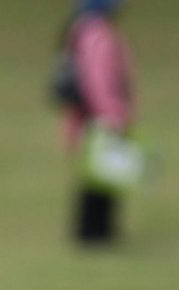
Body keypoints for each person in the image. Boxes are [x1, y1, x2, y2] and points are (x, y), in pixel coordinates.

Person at [52, 0, 136, 245]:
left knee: (100, 176)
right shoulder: (96, 35)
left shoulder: (81, 31)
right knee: (100, 177)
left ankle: (97, 230)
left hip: (90, 117)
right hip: (98, 118)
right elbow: (98, 81)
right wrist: (112, 115)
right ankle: (94, 232)